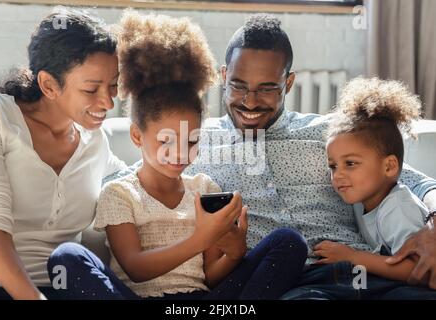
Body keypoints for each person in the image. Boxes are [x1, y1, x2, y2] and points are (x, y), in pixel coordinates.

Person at [47, 11, 308, 300]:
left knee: (289, 242)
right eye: (166, 141)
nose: (180, 153)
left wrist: (234, 254)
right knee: (67, 258)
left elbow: (210, 276)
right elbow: (135, 268)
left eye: (192, 140)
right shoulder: (119, 194)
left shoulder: (204, 188)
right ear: (137, 136)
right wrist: (201, 238)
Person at [178, 15, 436, 298]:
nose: (249, 102)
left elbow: (420, 184)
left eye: (267, 89)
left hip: (371, 273)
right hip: (289, 284)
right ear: (224, 76)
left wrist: (433, 225)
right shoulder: (192, 143)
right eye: (238, 86)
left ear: (288, 83)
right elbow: (130, 182)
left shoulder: (331, 133)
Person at [0, 7, 125, 300]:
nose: (108, 102)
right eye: (91, 89)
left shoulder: (95, 142)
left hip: (73, 288)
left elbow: (136, 183)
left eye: (113, 86)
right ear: (49, 85)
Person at [312, 77, 435, 295]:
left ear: (389, 167)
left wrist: (353, 256)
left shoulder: (398, 208)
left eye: (350, 164)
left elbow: (419, 270)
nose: (337, 174)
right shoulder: (362, 201)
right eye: (333, 166)